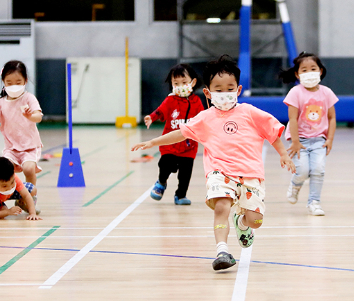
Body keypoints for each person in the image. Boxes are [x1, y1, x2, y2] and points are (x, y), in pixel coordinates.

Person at [131, 55, 295, 270]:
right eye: (218, 89)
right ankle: (222, 251)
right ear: (208, 92)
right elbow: (180, 133)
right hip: (220, 172)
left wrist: (283, 154)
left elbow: (272, 132)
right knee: (221, 206)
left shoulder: (250, 113)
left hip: (250, 174)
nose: (224, 93)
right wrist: (153, 141)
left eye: (229, 88)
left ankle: (242, 223)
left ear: (238, 90)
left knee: (255, 220)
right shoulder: (205, 118)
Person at [279, 52, 338, 216]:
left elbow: (332, 117)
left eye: (313, 68)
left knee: (318, 170)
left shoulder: (326, 93)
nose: (309, 72)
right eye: (304, 70)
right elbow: (293, 118)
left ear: (320, 71)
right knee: (303, 171)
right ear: (297, 74)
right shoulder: (295, 92)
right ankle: (295, 185)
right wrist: (295, 141)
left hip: (319, 139)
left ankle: (314, 202)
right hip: (300, 140)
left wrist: (330, 139)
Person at [143, 64, 204, 205]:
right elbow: (160, 111)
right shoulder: (171, 100)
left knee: (185, 174)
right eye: (176, 83)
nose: (180, 86)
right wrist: (151, 117)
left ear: (193, 82)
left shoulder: (196, 102)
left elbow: (203, 118)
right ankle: (161, 182)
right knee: (165, 164)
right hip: (170, 145)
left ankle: (180, 195)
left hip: (189, 147)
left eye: (184, 82)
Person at [0, 60, 43, 186]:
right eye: (9, 83)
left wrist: (30, 116)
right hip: (11, 148)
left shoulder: (29, 98)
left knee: (28, 169)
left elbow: (38, 117)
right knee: (4, 169)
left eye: (18, 82)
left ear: (25, 81)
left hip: (30, 147)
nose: (14, 86)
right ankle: (7, 193)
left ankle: (31, 196)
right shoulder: (1, 103)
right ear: (3, 82)